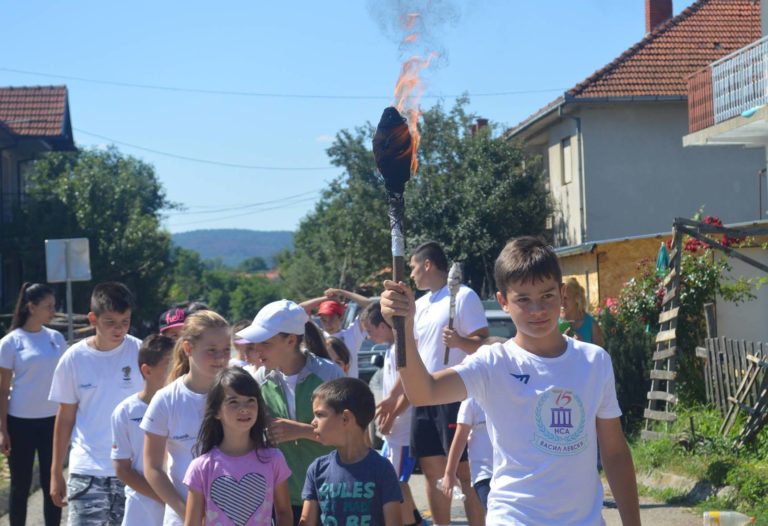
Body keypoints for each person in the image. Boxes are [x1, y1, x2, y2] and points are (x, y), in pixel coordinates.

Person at [381, 236, 641, 525]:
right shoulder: (493, 362)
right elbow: (423, 392)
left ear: (562, 292)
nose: (537, 310)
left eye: (547, 296)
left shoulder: (595, 361)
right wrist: (403, 328)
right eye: (523, 299)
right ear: (503, 301)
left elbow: (615, 452)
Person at [379, 241, 488, 526]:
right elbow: (413, 357)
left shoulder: (463, 296)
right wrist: (393, 397)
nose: (412, 274)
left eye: (414, 267)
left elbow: (483, 343)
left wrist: (460, 342)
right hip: (425, 399)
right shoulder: (418, 305)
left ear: (428, 264)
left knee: (465, 475)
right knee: (432, 472)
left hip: (455, 394)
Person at [236, 299, 344, 525]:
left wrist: (302, 431)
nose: (257, 350)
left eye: (265, 342)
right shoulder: (258, 381)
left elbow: (352, 436)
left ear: (291, 340)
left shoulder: (329, 375)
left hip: (333, 494)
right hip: (284, 500)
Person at [48, 282, 144, 525]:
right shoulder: (74, 358)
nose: (119, 329)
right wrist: (55, 470)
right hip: (86, 471)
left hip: (132, 471)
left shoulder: (141, 352)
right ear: (93, 319)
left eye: (125, 321)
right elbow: (65, 416)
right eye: (110, 322)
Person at [142, 310, 230, 526]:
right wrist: (189, 514)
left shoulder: (239, 393)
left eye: (226, 350)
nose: (221, 358)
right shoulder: (166, 400)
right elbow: (152, 468)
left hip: (235, 516)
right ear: (188, 348)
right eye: (211, 350)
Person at [183, 367, 292, 526]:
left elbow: (284, 513)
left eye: (250, 400)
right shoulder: (201, 467)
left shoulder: (274, 459)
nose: (244, 408)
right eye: (233, 401)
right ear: (216, 412)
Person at [0, 283, 65, 526]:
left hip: (53, 422)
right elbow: (2, 389)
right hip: (20, 424)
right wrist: (2, 429)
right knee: (20, 485)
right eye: (48, 306)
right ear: (31, 307)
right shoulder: (10, 342)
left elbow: (67, 381)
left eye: (53, 306)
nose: (53, 311)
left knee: (53, 484)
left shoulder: (56, 339)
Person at [300, 377, 402, 526]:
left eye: (320, 415)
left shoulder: (382, 469)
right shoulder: (317, 469)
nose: (313, 422)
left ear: (346, 418)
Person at [361, 303, 426, 526]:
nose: (369, 337)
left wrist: (390, 416)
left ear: (383, 325)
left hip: (403, 433)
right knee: (398, 484)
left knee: (395, 485)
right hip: (395, 434)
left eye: (370, 331)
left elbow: (410, 390)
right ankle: (415, 521)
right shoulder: (391, 349)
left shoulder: (404, 347)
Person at [111, 334, 174, 525]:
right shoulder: (125, 411)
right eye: (169, 365)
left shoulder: (184, 405)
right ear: (147, 370)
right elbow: (122, 469)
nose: (177, 369)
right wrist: (164, 496)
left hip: (181, 507)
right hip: (142, 511)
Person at [300, 288, 372, 379]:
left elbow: (370, 305)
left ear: (341, 318)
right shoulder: (318, 335)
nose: (328, 324)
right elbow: (299, 309)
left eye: (331, 318)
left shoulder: (352, 334)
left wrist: (341, 292)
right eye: (324, 320)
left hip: (349, 388)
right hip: (325, 389)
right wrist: (327, 299)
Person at [442, 398, 492, 514]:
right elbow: (460, 438)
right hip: (484, 474)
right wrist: (449, 473)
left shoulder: (510, 394)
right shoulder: (471, 401)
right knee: (494, 512)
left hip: (511, 473)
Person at [560, 278, 605, 347]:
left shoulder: (591, 325)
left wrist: (582, 347)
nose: (561, 302)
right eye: (560, 297)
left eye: (565, 298)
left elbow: (600, 356)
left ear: (577, 298)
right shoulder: (553, 323)